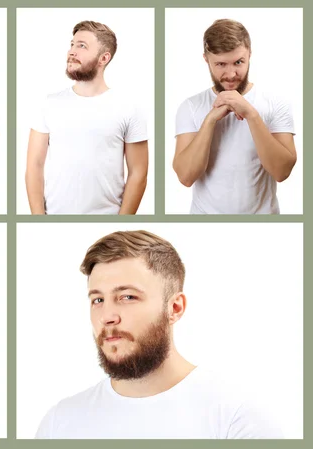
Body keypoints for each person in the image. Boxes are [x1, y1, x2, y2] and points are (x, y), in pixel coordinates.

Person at [36, 230, 281, 438]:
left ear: (175, 308)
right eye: (98, 299)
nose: (107, 315)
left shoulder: (235, 418)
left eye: (127, 297)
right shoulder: (59, 424)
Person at [173, 19, 297, 214]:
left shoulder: (276, 103)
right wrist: (210, 120)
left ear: (250, 54)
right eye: (221, 64)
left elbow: (282, 172)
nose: (231, 74)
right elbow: (186, 177)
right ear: (206, 59)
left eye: (239, 62)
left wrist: (251, 114)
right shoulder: (190, 106)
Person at [25, 21, 148, 215]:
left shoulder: (129, 108)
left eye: (82, 46)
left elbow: (138, 173)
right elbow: (34, 165)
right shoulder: (48, 104)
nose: (72, 51)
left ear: (104, 58)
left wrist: (122, 222)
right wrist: (38, 219)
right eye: (72, 44)